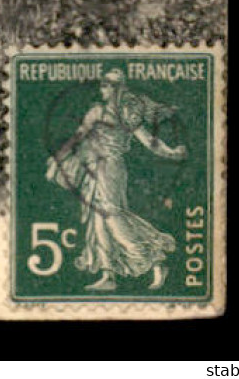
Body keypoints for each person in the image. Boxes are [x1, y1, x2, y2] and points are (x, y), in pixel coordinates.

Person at [47, 68, 187, 290]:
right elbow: (78, 136)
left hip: (111, 167)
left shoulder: (128, 115)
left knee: (112, 216)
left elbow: (149, 141)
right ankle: (108, 275)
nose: (104, 89)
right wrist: (59, 158)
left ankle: (153, 257)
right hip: (92, 166)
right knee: (98, 220)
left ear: (119, 88)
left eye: (109, 85)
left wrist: (170, 152)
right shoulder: (95, 112)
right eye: (103, 84)